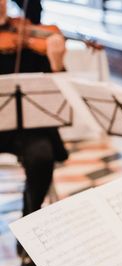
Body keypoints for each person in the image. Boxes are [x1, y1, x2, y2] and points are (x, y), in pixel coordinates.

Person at [0, 1, 67, 228]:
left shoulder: (29, 38)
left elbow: (57, 91)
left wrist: (56, 61)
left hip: (27, 127)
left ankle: (29, 222)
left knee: (42, 156)